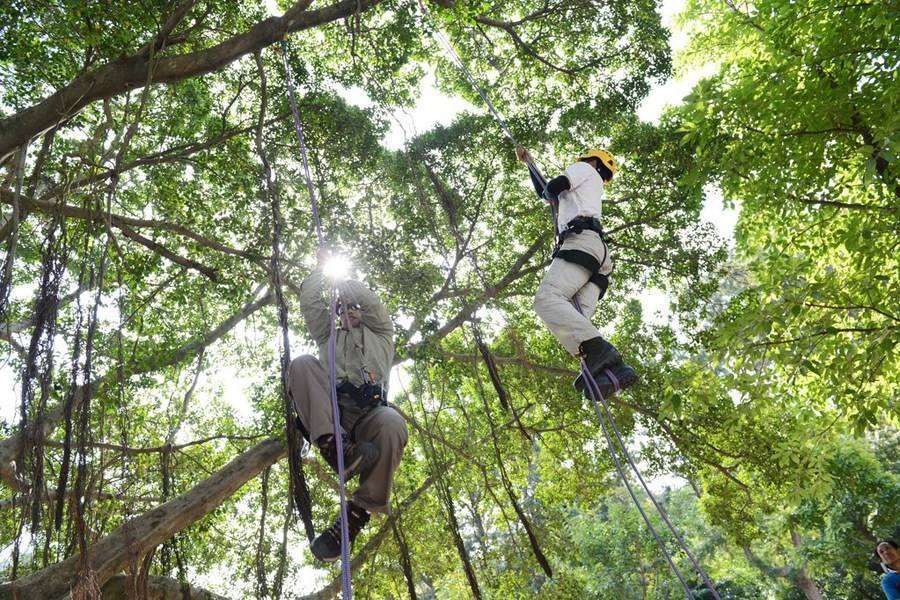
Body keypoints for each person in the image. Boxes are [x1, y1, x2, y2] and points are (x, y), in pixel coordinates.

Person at [289, 250, 408, 562]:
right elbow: (309, 302)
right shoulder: (328, 334)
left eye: (354, 308)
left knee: (393, 423)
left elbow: (371, 303)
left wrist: (340, 277)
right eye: (343, 309)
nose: (349, 312)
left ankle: (355, 516)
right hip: (333, 416)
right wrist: (319, 270)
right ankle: (333, 449)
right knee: (301, 364)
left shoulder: (381, 333)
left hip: (367, 417)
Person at [515, 145, 637, 397]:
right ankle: (613, 373)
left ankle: (602, 353)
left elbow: (552, 189)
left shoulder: (583, 169)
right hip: (598, 257)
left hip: (582, 243)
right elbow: (548, 193)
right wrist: (530, 164)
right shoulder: (593, 187)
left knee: (547, 299)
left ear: (592, 161)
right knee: (576, 320)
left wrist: (546, 183)